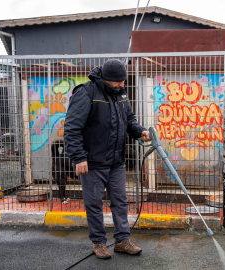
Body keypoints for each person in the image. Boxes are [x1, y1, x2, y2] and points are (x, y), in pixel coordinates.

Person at [64, 59, 151, 259]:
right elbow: (71, 128)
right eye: (118, 81)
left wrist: (141, 132)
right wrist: (79, 157)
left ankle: (122, 241)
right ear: (105, 79)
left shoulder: (119, 94)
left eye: (123, 81)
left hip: (116, 162)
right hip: (92, 163)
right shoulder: (86, 93)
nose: (122, 85)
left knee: (120, 202)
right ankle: (99, 243)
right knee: (94, 204)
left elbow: (129, 120)